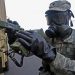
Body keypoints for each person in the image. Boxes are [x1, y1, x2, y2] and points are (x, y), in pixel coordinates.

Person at [7, 0, 75, 75]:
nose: (52, 23)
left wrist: (50, 54)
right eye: (50, 18)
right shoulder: (47, 37)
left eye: (57, 17)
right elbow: (27, 52)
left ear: (68, 16)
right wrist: (15, 38)